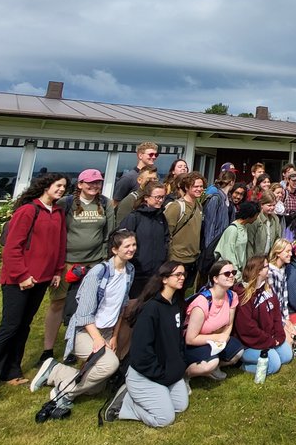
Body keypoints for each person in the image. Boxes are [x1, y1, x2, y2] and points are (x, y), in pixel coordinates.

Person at [0, 174, 68, 399]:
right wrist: (21, 275)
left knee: (24, 325)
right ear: (45, 186)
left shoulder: (58, 212)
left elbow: (59, 244)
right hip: (19, 280)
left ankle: (11, 371)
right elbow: (12, 248)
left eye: (64, 187)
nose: (61, 190)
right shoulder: (28, 211)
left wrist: (57, 270)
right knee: (9, 327)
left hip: (42, 279)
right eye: (58, 185)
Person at [30, 228, 135, 407]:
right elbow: (84, 314)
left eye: (134, 245)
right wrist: (97, 339)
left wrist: (115, 336)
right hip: (85, 331)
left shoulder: (130, 271)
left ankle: (56, 370)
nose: (132, 249)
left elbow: (121, 307)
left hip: (108, 331)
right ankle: (64, 393)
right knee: (109, 365)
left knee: (97, 387)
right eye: (127, 246)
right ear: (114, 250)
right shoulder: (98, 273)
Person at [37, 168, 115, 364]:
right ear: (80, 184)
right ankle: (48, 349)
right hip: (68, 263)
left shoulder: (105, 203)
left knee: (88, 306)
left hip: (95, 263)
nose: (94, 186)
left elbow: (109, 233)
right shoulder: (66, 203)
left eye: (97, 182)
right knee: (59, 303)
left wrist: (106, 261)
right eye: (89, 182)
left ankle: (78, 345)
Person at [103, 261, 189, 427]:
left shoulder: (176, 305)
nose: (182, 278)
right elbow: (141, 352)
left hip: (168, 370)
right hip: (146, 373)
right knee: (164, 418)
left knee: (180, 405)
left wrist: (179, 364)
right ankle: (125, 405)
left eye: (183, 274)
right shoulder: (150, 309)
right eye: (177, 274)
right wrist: (159, 375)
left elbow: (177, 342)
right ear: (164, 279)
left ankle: (148, 395)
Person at [231, 256, 293, 377]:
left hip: (268, 338)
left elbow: (276, 316)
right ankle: (241, 365)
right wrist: (270, 341)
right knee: (274, 364)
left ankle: (270, 351)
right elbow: (248, 328)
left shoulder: (267, 289)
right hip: (249, 344)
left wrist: (279, 336)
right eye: (266, 267)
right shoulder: (244, 296)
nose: (269, 269)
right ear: (258, 270)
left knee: (287, 356)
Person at [183, 260, 244, 380]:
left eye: (233, 272)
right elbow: (190, 339)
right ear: (215, 279)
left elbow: (229, 324)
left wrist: (224, 337)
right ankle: (185, 375)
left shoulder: (232, 296)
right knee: (210, 363)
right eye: (227, 273)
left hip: (217, 339)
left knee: (238, 353)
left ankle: (215, 366)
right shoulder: (202, 302)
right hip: (196, 343)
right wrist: (217, 338)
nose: (231, 275)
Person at [120, 180, 170, 298]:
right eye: (157, 197)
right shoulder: (134, 217)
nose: (161, 200)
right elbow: (121, 243)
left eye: (163, 197)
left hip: (156, 273)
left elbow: (166, 240)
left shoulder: (161, 217)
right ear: (146, 198)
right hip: (137, 273)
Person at [164, 172, 206, 292]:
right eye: (195, 186)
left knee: (185, 295)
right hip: (176, 258)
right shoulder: (177, 207)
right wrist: (170, 256)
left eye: (201, 186)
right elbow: (166, 233)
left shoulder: (199, 206)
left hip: (193, 260)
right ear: (187, 187)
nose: (199, 189)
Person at [268, 240, 296, 347]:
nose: (291, 254)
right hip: (274, 318)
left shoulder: (284, 270)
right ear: (278, 253)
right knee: (291, 344)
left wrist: (287, 320)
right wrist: (282, 323)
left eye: (290, 251)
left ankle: (292, 332)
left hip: (283, 316)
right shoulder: (270, 273)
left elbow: (284, 300)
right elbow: (272, 304)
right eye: (287, 251)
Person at [198, 171, 235, 278]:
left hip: (224, 243)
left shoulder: (229, 199)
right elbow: (209, 226)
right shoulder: (215, 198)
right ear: (232, 182)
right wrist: (209, 251)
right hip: (213, 246)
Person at [214, 199, 258, 280]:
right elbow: (228, 254)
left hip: (238, 271)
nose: (256, 218)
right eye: (256, 216)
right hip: (229, 272)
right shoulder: (233, 230)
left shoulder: (244, 228)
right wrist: (236, 274)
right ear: (250, 215)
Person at [248, 189, 282, 259]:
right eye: (269, 205)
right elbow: (249, 243)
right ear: (261, 205)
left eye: (274, 205)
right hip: (255, 258)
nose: (272, 208)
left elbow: (278, 238)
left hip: (268, 257)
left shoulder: (275, 219)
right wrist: (250, 260)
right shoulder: (255, 219)